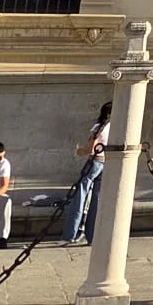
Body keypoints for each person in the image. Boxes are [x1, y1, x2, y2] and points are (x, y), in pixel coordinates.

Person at [61, 102, 110, 246]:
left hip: (95, 162)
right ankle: (92, 236)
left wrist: (78, 151)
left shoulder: (100, 126)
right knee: (96, 200)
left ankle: (71, 233)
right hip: (106, 163)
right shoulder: (117, 127)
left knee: (80, 197)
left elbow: (91, 148)